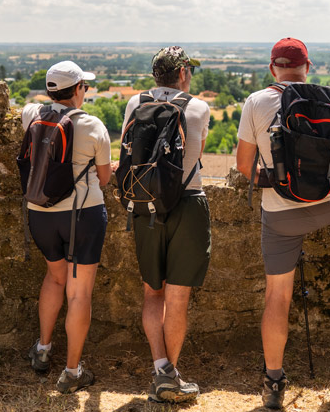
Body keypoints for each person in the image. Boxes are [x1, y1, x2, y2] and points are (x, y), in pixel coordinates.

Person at [236, 37, 330, 410]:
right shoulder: (329, 99)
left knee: (278, 298)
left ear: (273, 67)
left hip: (279, 215)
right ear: (308, 67)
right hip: (326, 205)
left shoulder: (256, 102)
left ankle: (273, 383)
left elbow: (243, 168)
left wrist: (281, 183)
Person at [121, 46, 211, 404]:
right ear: (184, 74)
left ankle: (161, 367)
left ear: (154, 75)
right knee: (178, 298)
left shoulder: (134, 104)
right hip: (187, 202)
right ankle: (170, 377)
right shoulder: (199, 107)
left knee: (152, 292)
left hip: (145, 205)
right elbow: (198, 151)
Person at [22, 61, 112, 393]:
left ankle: (43, 349)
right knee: (79, 292)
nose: (85, 92)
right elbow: (103, 178)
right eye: (84, 87)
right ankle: (72, 371)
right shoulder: (92, 125)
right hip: (81, 214)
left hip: (40, 212)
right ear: (77, 90)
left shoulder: (32, 114)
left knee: (54, 277)